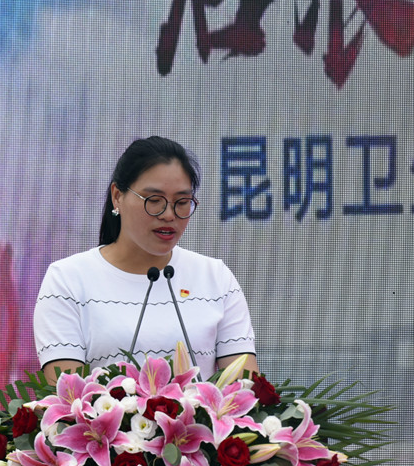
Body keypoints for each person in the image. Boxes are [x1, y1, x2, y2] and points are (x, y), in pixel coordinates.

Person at [33, 136, 258, 384]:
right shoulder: (67, 280)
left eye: (182, 202)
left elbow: (245, 389)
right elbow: (68, 396)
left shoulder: (215, 277)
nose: (169, 215)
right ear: (117, 196)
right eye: (154, 201)